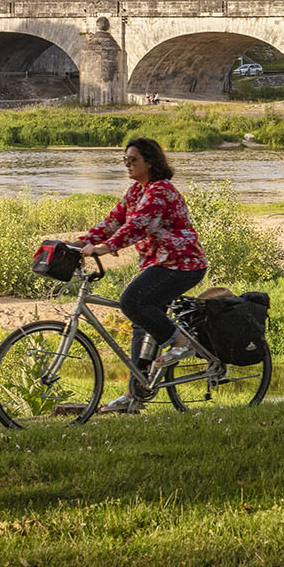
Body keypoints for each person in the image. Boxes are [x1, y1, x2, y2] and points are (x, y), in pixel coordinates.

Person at [76, 137, 209, 411]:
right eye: (125, 160)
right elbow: (114, 221)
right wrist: (82, 241)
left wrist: (105, 248)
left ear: (150, 162)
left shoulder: (160, 191)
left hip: (183, 264)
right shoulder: (137, 190)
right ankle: (136, 395)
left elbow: (138, 225)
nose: (128, 165)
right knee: (142, 322)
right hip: (159, 263)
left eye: (133, 160)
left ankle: (182, 343)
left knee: (132, 302)